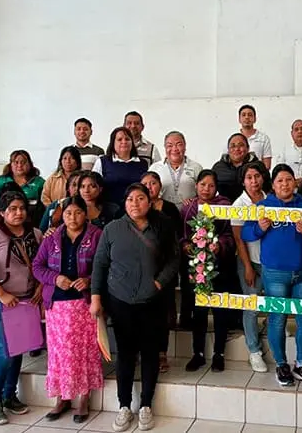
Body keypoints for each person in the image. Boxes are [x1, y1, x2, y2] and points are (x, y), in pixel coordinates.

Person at [90, 183, 179, 432]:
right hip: (120, 301)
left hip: (152, 300)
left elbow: (174, 259)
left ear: (149, 202)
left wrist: (159, 283)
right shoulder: (113, 228)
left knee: (150, 353)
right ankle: (124, 405)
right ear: (124, 203)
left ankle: (146, 404)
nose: (135, 203)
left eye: (140, 198)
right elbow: (100, 264)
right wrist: (96, 297)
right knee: (126, 354)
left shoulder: (162, 226)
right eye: (130, 199)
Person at [242, 164, 302, 387]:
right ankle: (281, 364)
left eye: (288, 180)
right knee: (277, 320)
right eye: (280, 181)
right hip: (275, 274)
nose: (285, 184)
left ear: (294, 182)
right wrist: (259, 228)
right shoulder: (263, 206)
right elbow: (247, 234)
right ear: (273, 185)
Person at [0, 191, 43, 425]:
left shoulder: (35, 234)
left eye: (21, 208)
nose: (18, 213)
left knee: (18, 349)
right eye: (12, 209)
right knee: (4, 352)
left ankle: (9, 396)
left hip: (25, 300)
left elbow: (42, 265)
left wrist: (40, 288)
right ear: (2, 212)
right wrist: (2, 294)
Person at [32, 195, 103, 424]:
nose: (73, 218)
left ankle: (83, 397)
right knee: (59, 352)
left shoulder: (96, 235)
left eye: (78, 212)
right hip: (57, 304)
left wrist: (89, 280)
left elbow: (104, 266)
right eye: (68, 213)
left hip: (84, 303)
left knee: (83, 351)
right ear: (62, 215)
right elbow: (37, 267)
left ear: (86, 214)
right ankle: (62, 397)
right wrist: (55, 278)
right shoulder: (52, 238)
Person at [180, 170, 236, 372]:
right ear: (196, 185)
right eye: (202, 184)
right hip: (197, 268)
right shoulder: (188, 208)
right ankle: (198, 354)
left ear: (216, 188)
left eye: (211, 185)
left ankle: (219, 354)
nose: (206, 189)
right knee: (199, 312)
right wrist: (187, 246)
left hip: (220, 267)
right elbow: (182, 236)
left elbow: (230, 235)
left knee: (220, 311)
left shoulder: (225, 205)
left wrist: (219, 246)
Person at [141, 171, 183, 373]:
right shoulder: (135, 208)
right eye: (145, 183)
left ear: (160, 186)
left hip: (165, 268)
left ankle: (161, 353)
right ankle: (143, 352)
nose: (149, 187)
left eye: (153, 183)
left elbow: (177, 236)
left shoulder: (170, 208)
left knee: (163, 312)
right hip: (142, 270)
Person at [231, 162, 269, 373]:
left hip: (271, 262)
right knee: (251, 306)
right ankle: (254, 351)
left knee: (275, 302)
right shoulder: (239, 204)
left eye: (257, 176)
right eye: (249, 177)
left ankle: (270, 329)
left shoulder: (270, 199)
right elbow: (239, 239)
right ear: (243, 181)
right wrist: (247, 266)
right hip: (250, 261)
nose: (254, 181)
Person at [92, 127, 149, 207]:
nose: (124, 142)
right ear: (113, 143)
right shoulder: (102, 162)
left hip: (136, 208)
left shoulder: (143, 163)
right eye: (119, 139)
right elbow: (93, 186)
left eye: (127, 139)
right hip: (108, 209)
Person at [0, 150, 46, 224]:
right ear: (11, 165)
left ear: (30, 164)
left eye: (23, 162)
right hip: (3, 221)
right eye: (16, 162)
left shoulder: (39, 182)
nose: (19, 165)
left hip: (32, 221)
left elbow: (44, 204)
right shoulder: (1, 181)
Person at [148, 131, 203, 208]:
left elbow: (203, 192)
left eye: (179, 145)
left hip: (189, 212)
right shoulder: (155, 168)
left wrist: (195, 201)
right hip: (162, 213)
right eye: (170, 145)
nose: (174, 149)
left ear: (185, 146)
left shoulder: (196, 167)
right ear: (165, 148)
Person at [213, 133, 270, 203]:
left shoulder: (259, 166)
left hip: (254, 205)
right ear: (228, 150)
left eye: (241, 145)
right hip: (224, 206)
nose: (237, 149)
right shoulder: (218, 167)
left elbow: (268, 188)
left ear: (248, 148)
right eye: (233, 146)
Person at [234, 104, 272, 169]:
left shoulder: (263, 138)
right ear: (239, 119)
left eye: (250, 115)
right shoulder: (233, 139)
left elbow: (267, 165)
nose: (247, 117)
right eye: (243, 115)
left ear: (255, 119)